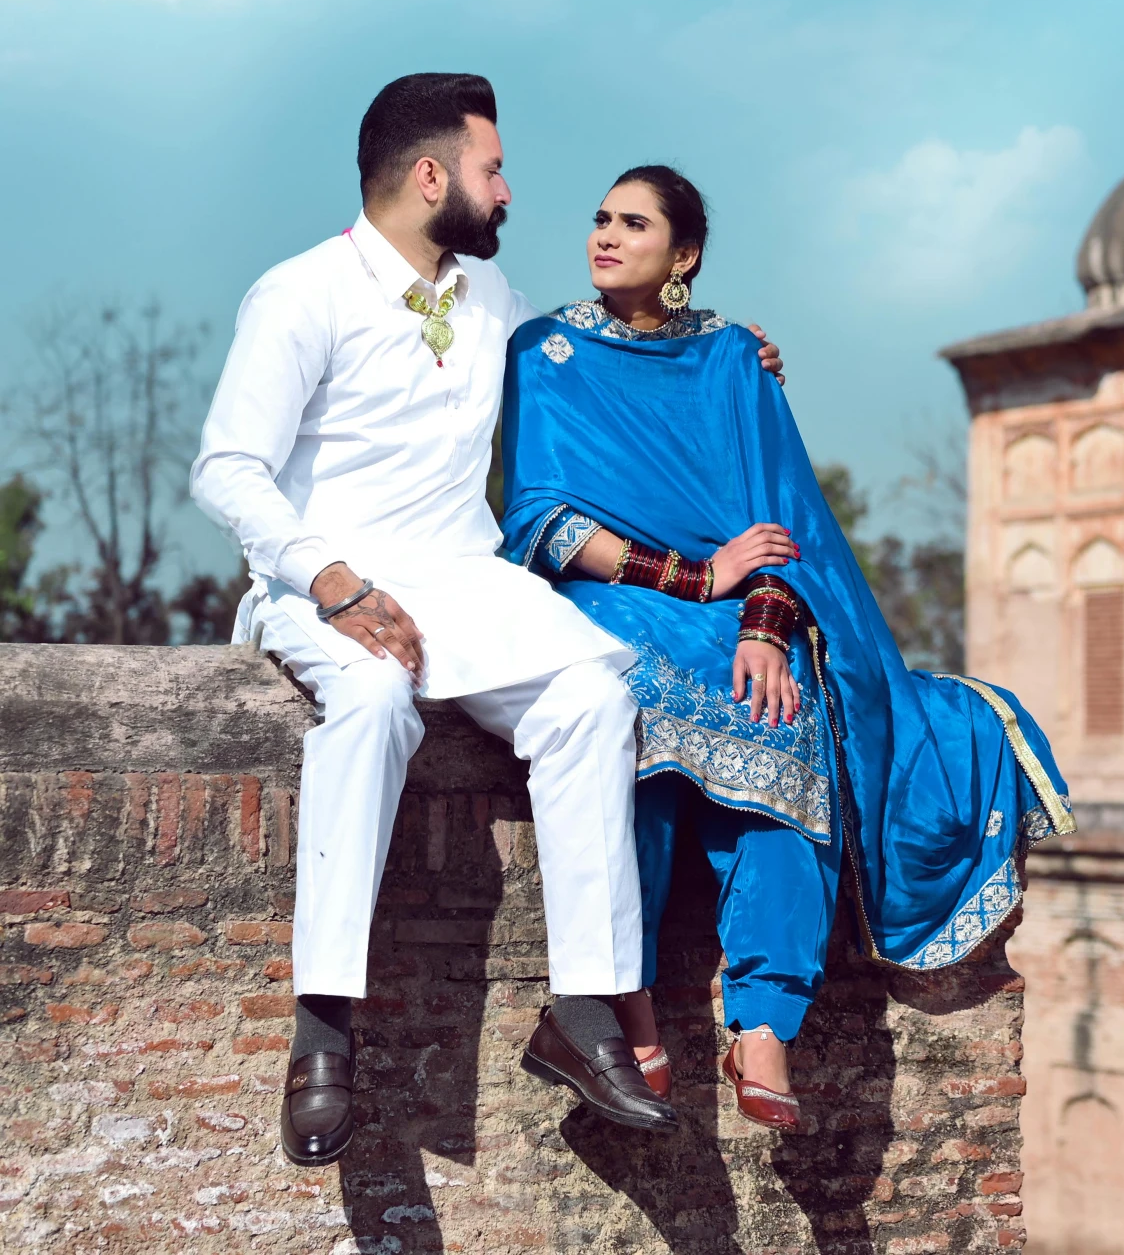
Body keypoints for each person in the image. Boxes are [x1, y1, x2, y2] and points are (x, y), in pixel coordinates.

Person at [191, 76, 788, 1166]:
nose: (508, 190)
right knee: (372, 701)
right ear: (431, 177)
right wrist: (332, 583)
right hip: (330, 579)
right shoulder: (299, 293)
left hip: (466, 580)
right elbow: (227, 469)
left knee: (594, 698)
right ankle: (324, 1030)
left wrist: (716, 347)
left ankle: (585, 1011)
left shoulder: (492, 294)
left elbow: (596, 359)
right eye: (491, 169)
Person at [496, 164, 1074, 1129]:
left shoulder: (730, 358)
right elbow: (540, 517)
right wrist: (692, 579)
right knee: (634, 720)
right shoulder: (543, 350)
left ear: (681, 255)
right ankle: (627, 1008)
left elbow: (778, 517)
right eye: (599, 217)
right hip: (615, 594)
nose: (604, 235)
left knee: (786, 720)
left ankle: (763, 1024)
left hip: (739, 601)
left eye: (633, 224)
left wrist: (765, 623)